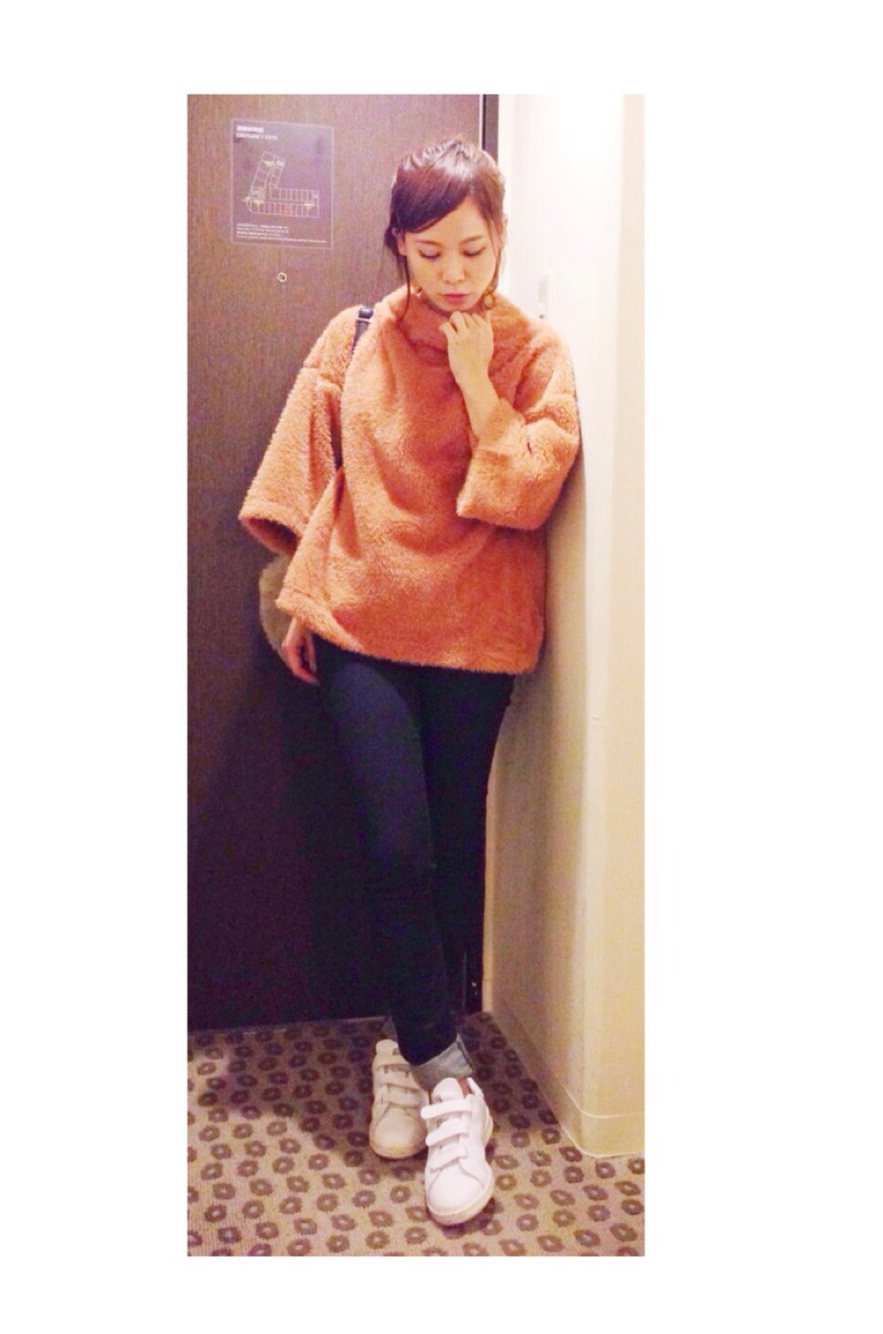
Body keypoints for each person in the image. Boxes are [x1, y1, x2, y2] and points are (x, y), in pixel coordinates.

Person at [239, 136, 580, 1227]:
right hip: (363, 622)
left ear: (501, 237)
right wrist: (295, 593)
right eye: (429, 253)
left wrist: (479, 385)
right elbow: (301, 475)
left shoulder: (532, 351)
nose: (453, 273)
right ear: (398, 245)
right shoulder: (353, 336)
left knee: (448, 850)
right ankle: (449, 1079)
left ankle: (406, 1044)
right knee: (394, 845)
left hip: (476, 633)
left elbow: (526, 492)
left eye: (472, 249)